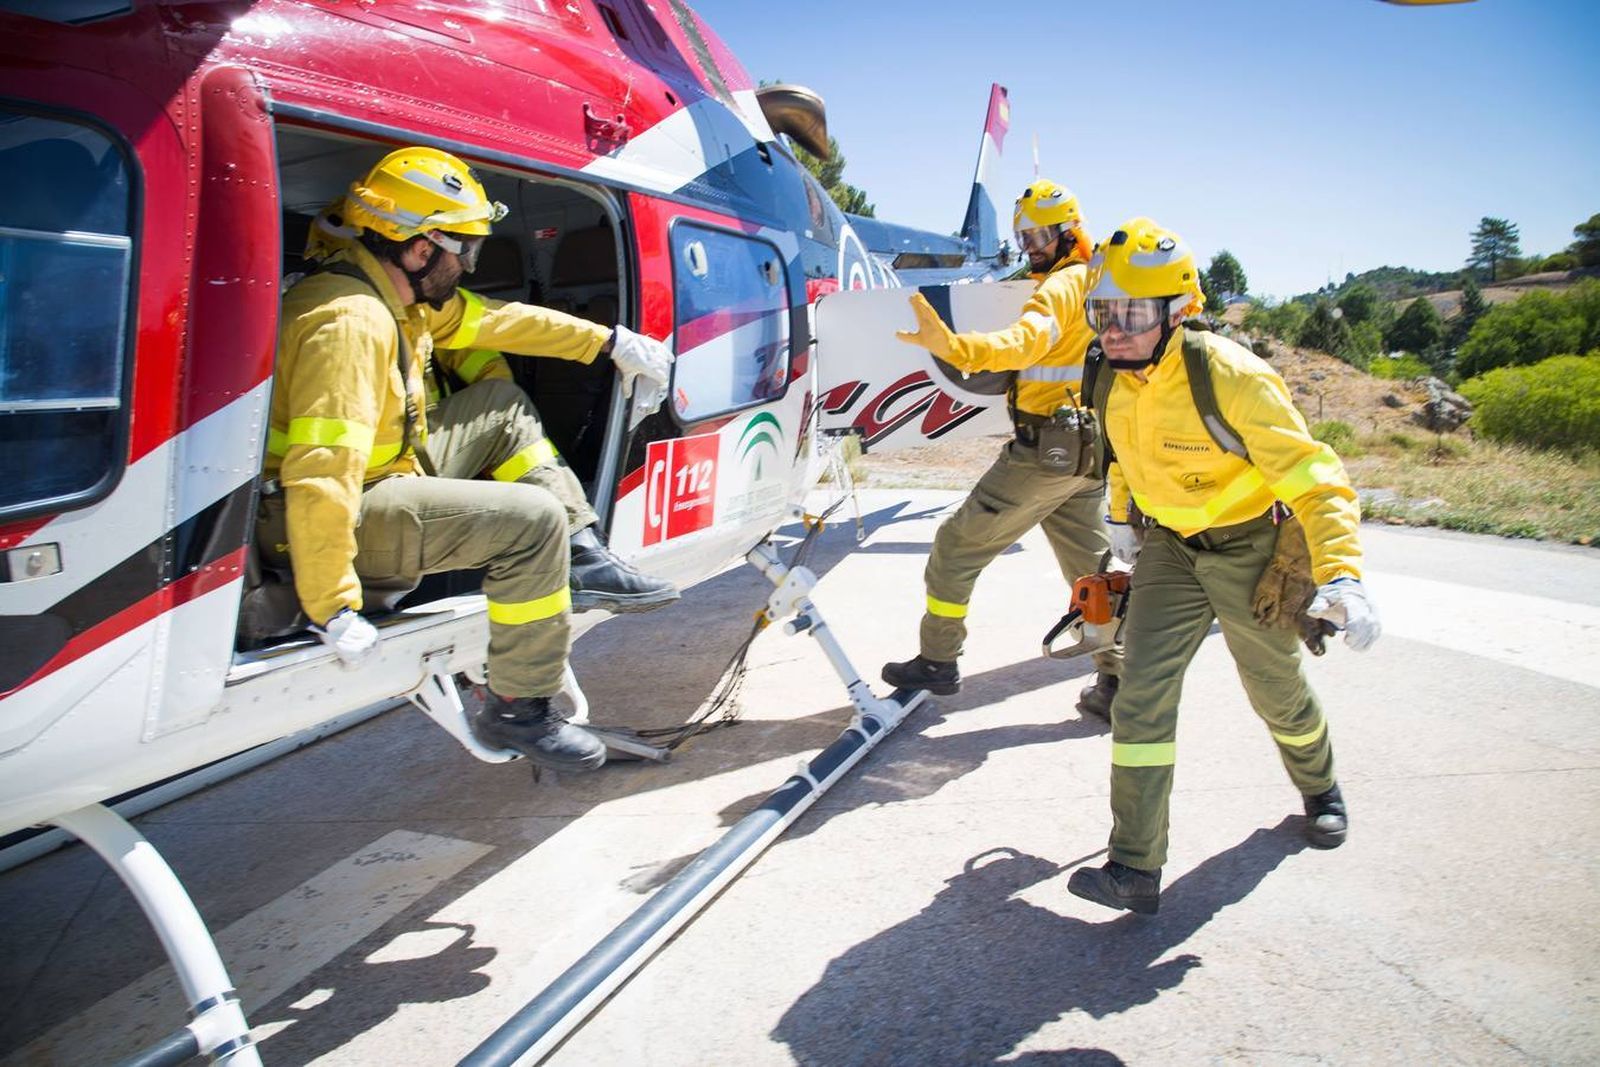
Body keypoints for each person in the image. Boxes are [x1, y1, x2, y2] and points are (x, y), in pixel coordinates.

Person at [262, 146, 679, 771]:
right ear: (421, 248)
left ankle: (583, 555)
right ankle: (518, 708)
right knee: (530, 522)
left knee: (499, 405)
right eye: (467, 250)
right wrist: (332, 605)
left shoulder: (396, 299)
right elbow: (324, 469)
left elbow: (502, 322)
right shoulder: (351, 321)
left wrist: (609, 342)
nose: (470, 266)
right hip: (328, 515)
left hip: (383, 475)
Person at [1065, 218, 1381, 915]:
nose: (1114, 330)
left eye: (1133, 314)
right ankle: (1134, 866)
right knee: (1141, 690)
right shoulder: (1113, 380)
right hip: (1172, 550)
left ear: (1179, 313)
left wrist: (1343, 573)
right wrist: (1121, 514)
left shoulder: (1232, 377)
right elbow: (1125, 457)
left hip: (1250, 547)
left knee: (1274, 687)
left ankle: (1320, 786)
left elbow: (1315, 478)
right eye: (1104, 313)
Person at [881, 180, 1123, 718]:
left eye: (1039, 233)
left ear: (1069, 232)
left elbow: (1025, 341)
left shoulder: (1059, 289)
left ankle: (938, 661)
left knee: (955, 547)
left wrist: (956, 347)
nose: (1029, 244)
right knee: (1092, 572)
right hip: (1086, 454)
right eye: (1023, 234)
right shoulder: (1097, 285)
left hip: (1043, 453)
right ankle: (1120, 685)